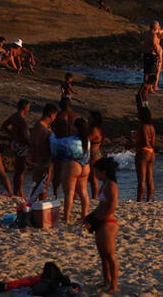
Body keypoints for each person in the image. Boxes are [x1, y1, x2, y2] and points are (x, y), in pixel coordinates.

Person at [84, 157, 119, 294]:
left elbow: (112, 206)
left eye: (96, 172)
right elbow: (101, 205)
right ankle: (106, 280)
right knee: (102, 255)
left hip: (108, 223)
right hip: (101, 222)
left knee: (110, 255)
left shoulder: (111, 185)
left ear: (103, 172)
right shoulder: (104, 184)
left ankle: (114, 285)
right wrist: (90, 217)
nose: (95, 174)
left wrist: (100, 219)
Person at [61, 118, 91, 223]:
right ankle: (84, 215)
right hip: (86, 166)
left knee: (69, 192)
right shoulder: (87, 140)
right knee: (84, 192)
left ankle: (66, 217)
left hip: (73, 166)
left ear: (76, 128)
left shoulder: (70, 140)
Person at [2, 100, 31, 198]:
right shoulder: (22, 120)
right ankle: (20, 191)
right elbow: (25, 137)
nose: (29, 108)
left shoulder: (14, 116)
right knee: (21, 169)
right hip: (21, 144)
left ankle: (15, 190)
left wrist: (12, 134)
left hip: (15, 143)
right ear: (25, 108)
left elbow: (4, 126)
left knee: (17, 169)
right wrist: (31, 145)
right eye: (28, 107)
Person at [51, 99, 79, 197]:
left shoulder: (58, 116)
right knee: (72, 172)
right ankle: (74, 194)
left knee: (57, 171)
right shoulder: (76, 116)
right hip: (73, 145)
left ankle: (56, 194)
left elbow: (52, 129)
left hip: (61, 144)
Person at [29, 103, 58, 200]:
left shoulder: (42, 126)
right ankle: (37, 207)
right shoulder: (41, 128)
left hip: (40, 160)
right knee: (41, 187)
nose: (55, 118)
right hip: (42, 161)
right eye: (55, 115)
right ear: (50, 114)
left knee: (40, 186)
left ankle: (36, 206)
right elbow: (37, 144)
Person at [133, 106, 156, 202]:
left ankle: (139, 201)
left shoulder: (143, 127)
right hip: (151, 153)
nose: (137, 114)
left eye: (138, 113)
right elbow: (153, 143)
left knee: (141, 180)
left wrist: (134, 141)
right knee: (150, 179)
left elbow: (145, 142)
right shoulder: (152, 127)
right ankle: (148, 200)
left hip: (143, 152)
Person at [88, 111, 104, 199]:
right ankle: (95, 197)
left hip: (94, 156)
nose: (88, 119)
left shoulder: (94, 130)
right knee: (92, 179)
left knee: (93, 180)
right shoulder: (97, 128)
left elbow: (85, 139)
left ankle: (94, 198)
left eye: (90, 117)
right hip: (96, 154)